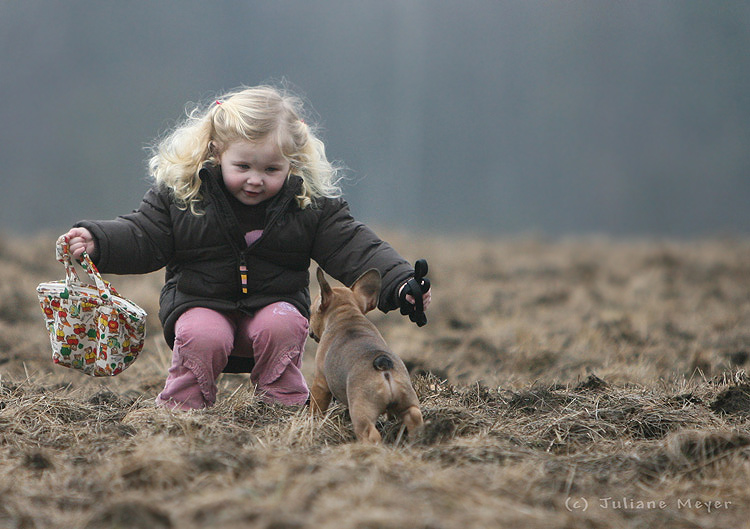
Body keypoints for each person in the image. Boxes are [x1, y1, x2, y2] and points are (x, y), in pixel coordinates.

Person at [63, 85, 431, 410]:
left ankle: (282, 404)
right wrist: (99, 240)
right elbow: (142, 233)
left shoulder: (306, 203)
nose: (255, 180)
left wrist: (400, 282)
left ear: (293, 162)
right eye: (242, 166)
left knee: (284, 323)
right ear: (216, 152)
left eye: (271, 169)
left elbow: (355, 245)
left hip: (272, 309)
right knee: (203, 334)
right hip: (200, 305)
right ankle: (183, 408)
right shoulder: (182, 196)